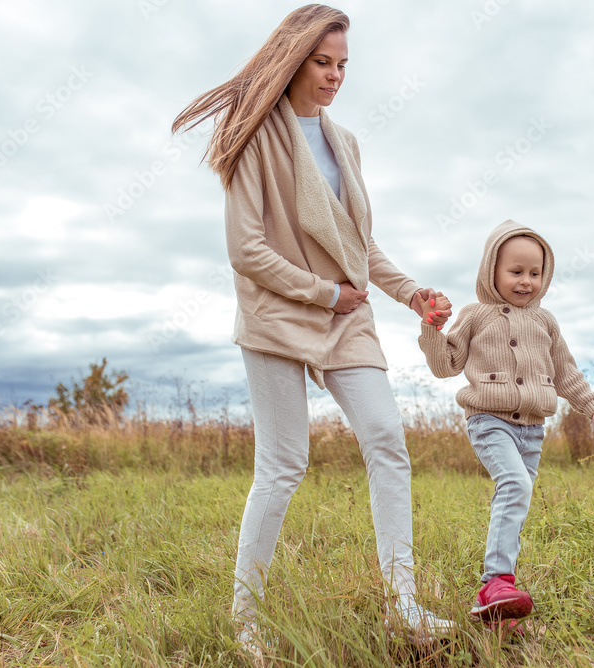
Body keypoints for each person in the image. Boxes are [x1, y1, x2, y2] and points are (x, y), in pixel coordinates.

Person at [170, 3, 454, 654]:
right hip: (279, 312)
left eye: (343, 65)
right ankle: (246, 623)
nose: (334, 76)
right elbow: (246, 250)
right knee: (282, 464)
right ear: (294, 59)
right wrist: (325, 293)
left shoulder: (345, 142)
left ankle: (403, 608)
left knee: (387, 439)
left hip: (347, 314)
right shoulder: (253, 133)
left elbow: (361, 246)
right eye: (323, 63)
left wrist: (413, 295)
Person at [416, 219, 594, 627]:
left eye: (535, 273)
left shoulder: (546, 323)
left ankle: (498, 603)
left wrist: (593, 408)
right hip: (489, 421)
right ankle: (496, 582)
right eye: (516, 272)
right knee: (516, 485)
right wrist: (432, 329)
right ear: (492, 271)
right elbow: (445, 366)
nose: (526, 281)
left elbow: (566, 373)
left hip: (533, 429)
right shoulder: (476, 315)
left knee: (516, 500)